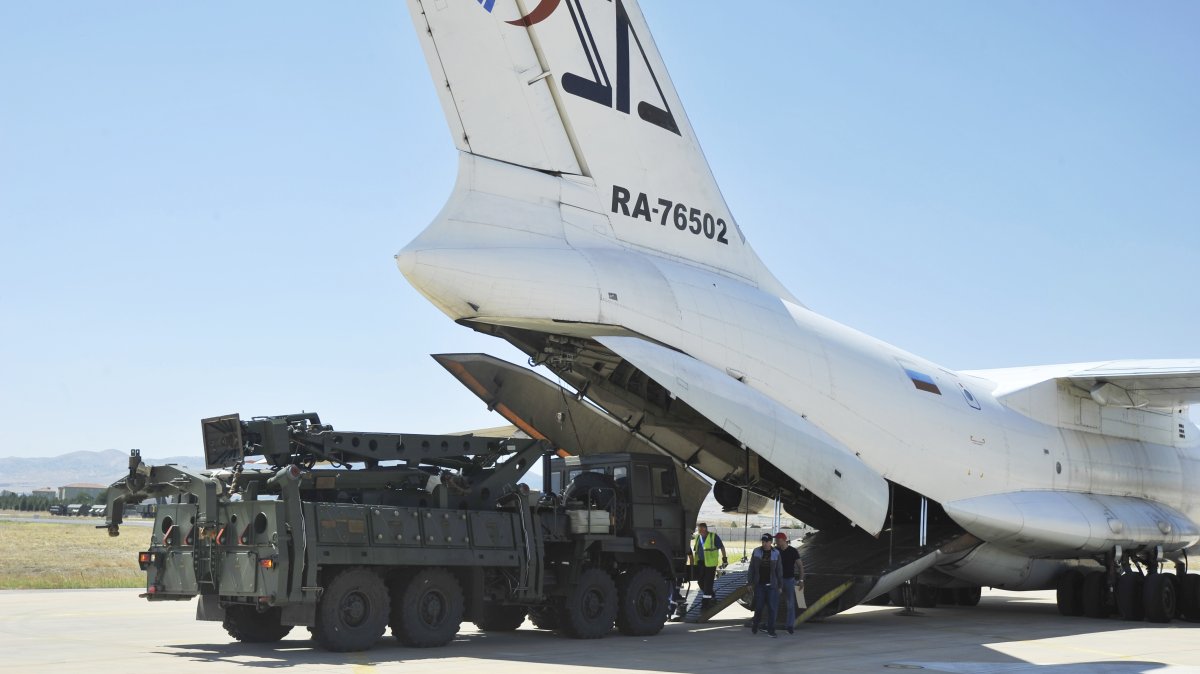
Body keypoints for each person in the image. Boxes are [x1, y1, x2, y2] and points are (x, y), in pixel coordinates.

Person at [747, 532, 782, 637]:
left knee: (772, 608)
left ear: (771, 542)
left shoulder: (776, 553)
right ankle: (756, 623)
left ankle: (771, 630)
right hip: (759, 585)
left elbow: (779, 570)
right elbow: (751, 568)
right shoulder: (756, 551)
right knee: (759, 607)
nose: (765, 543)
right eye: (763, 541)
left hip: (772, 585)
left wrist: (780, 586)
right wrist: (749, 582)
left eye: (767, 541)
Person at [688, 522, 728, 607]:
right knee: (700, 582)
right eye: (698, 529)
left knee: (708, 583)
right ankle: (712, 595)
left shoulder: (713, 536)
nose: (698, 531)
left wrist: (724, 559)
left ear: (704, 529)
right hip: (700, 563)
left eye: (700, 529)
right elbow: (697, 550)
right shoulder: (698, 537)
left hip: (710, 564)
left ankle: (706, 602)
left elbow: (722, 547)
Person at [775, 532, 803, 634]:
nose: (776, 542)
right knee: (774, 602)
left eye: (777, 540)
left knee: (790, 603)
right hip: (778, 580)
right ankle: (771, 624)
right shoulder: (775, 551)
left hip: (789, 580)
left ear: (783, 540)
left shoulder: (793, 551)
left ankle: (790, 625)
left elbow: (800, 566)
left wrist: (801, 580)